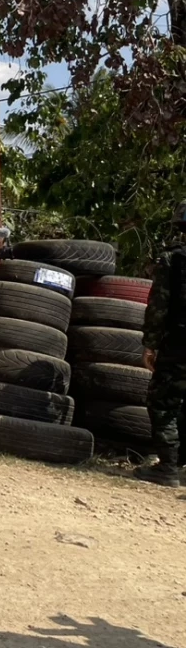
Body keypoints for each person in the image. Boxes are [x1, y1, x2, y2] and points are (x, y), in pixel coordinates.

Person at [134, 201, 186, 487]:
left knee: (163, 403)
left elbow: (159, 307)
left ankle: (167, 467)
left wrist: (150, 344)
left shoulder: (173, 260)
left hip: (178, 345)